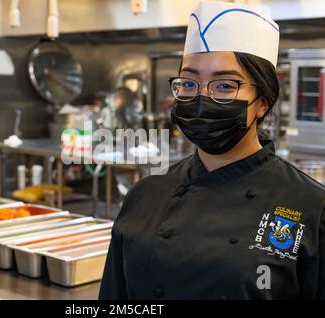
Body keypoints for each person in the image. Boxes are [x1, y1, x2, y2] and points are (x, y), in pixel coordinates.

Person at [99, 0, 325, 300]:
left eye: (224, 86)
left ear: (262, 102)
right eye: (189, 83)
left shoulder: (311, 207)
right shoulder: (145, 195)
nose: (201, 98)